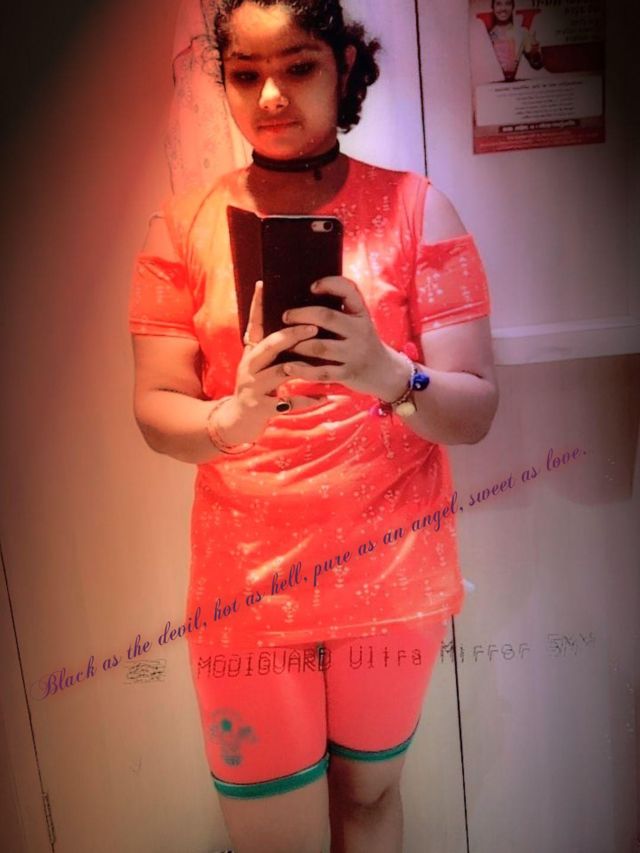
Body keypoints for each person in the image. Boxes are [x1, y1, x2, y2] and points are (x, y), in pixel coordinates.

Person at [128, 1, 499, 850]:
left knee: (368, 802)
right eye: (245, 74)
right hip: (246, 584)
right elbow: (155, 408)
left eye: (297, 66)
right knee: (277, 840)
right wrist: (233, 415)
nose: (269, 97)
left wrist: (388, 374)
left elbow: (476, 409)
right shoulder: (180, 226)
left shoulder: (418, 209)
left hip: (392, 571)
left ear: (344, 67)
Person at [487, 0, 543, 81]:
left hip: (516, 86)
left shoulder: (522, 32)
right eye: (498, 4)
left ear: (512, 7)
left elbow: (537, 66)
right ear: (493, 7)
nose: (503, 8)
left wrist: (535, 55)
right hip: (492, 85)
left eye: (508, 3)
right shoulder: (486, 34)